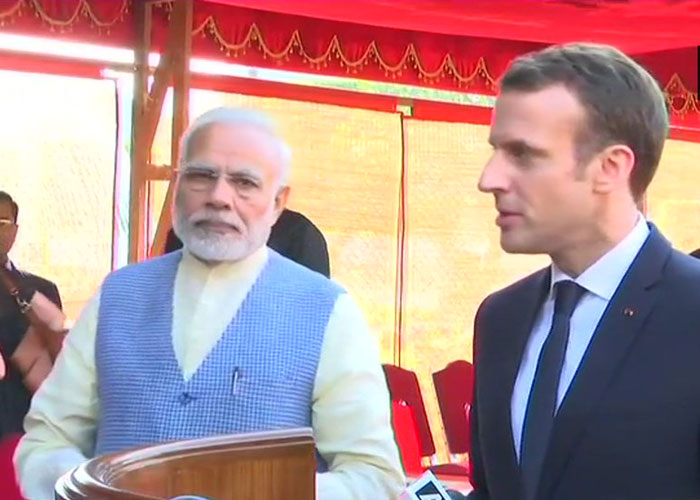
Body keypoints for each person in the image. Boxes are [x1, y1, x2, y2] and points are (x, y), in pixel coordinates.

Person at [15, 107, 404, 500]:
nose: (219, 197)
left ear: (278, 203)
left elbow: (373, 477)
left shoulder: (327, 312)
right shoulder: (117, 296)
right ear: (177, 185)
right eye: (202, 176)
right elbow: (48, 441)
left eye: (244, 183)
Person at [470, 43, 700, 500]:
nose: (489, 178)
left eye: (523, 154)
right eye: (496, 150)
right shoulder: (500, 318)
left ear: (610, 168)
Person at [0, 191, 64, 500]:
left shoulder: (40, 290)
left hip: (26, 428)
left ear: (15, 229)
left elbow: (63, 361)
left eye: (2, 222)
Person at [165, 207, 331, 277]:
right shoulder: (183, 234)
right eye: (205, 175)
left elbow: (314, 316)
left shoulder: (300, 236)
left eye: (243, 181)